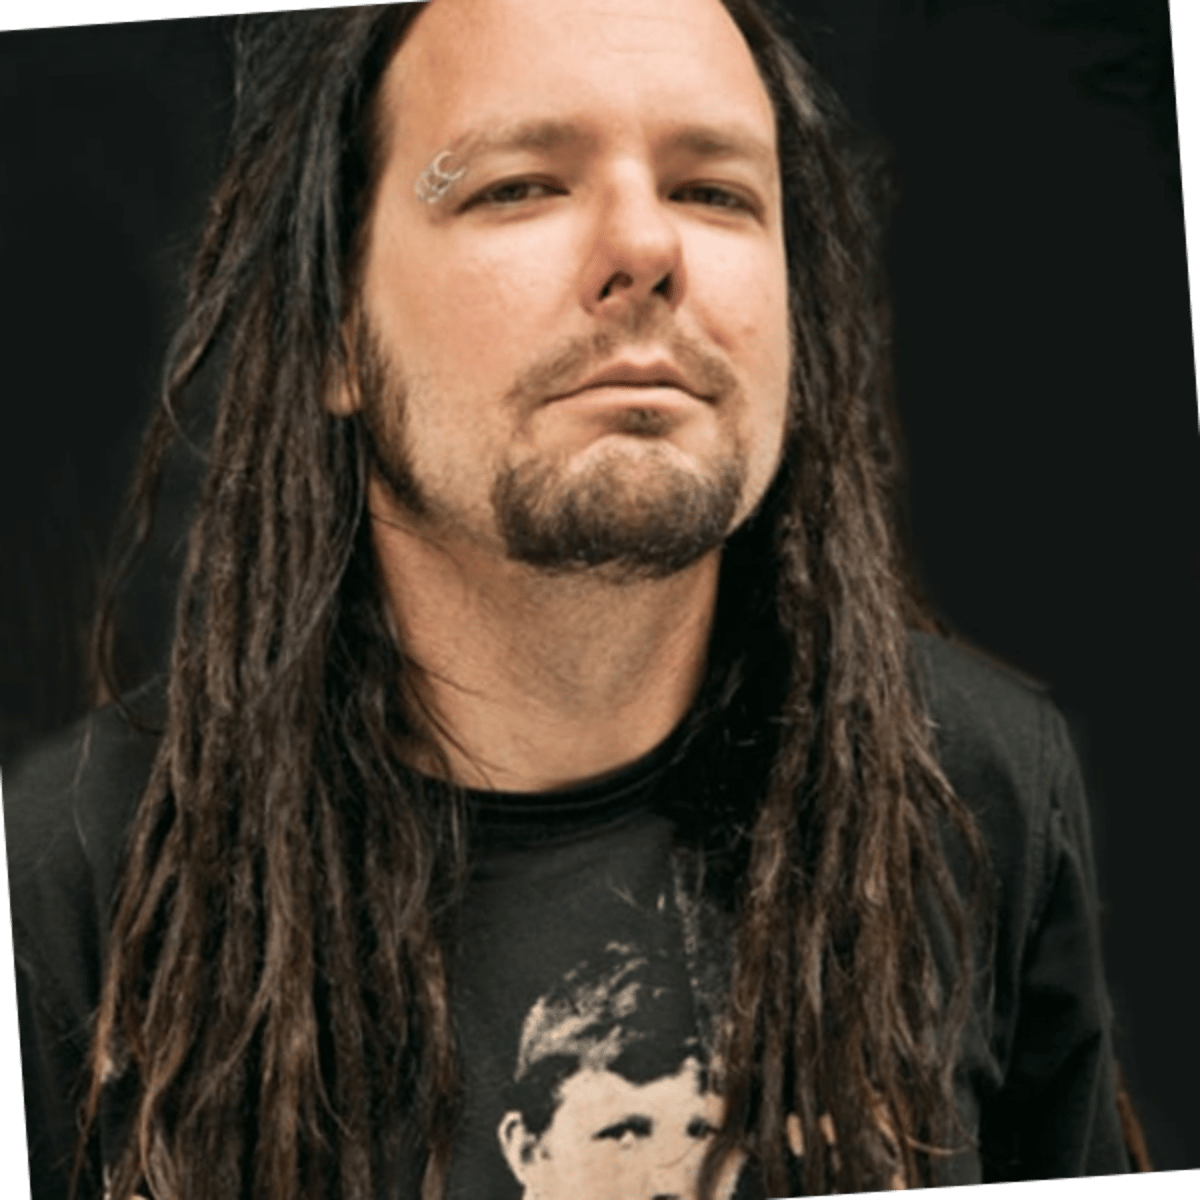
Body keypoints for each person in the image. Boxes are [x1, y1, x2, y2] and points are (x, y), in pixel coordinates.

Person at [2, 0, 1140, 1197]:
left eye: (714, 191)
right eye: (519, 186)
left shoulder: (976, 792)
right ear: (335, 335)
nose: (647, 245)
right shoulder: (71, 889)